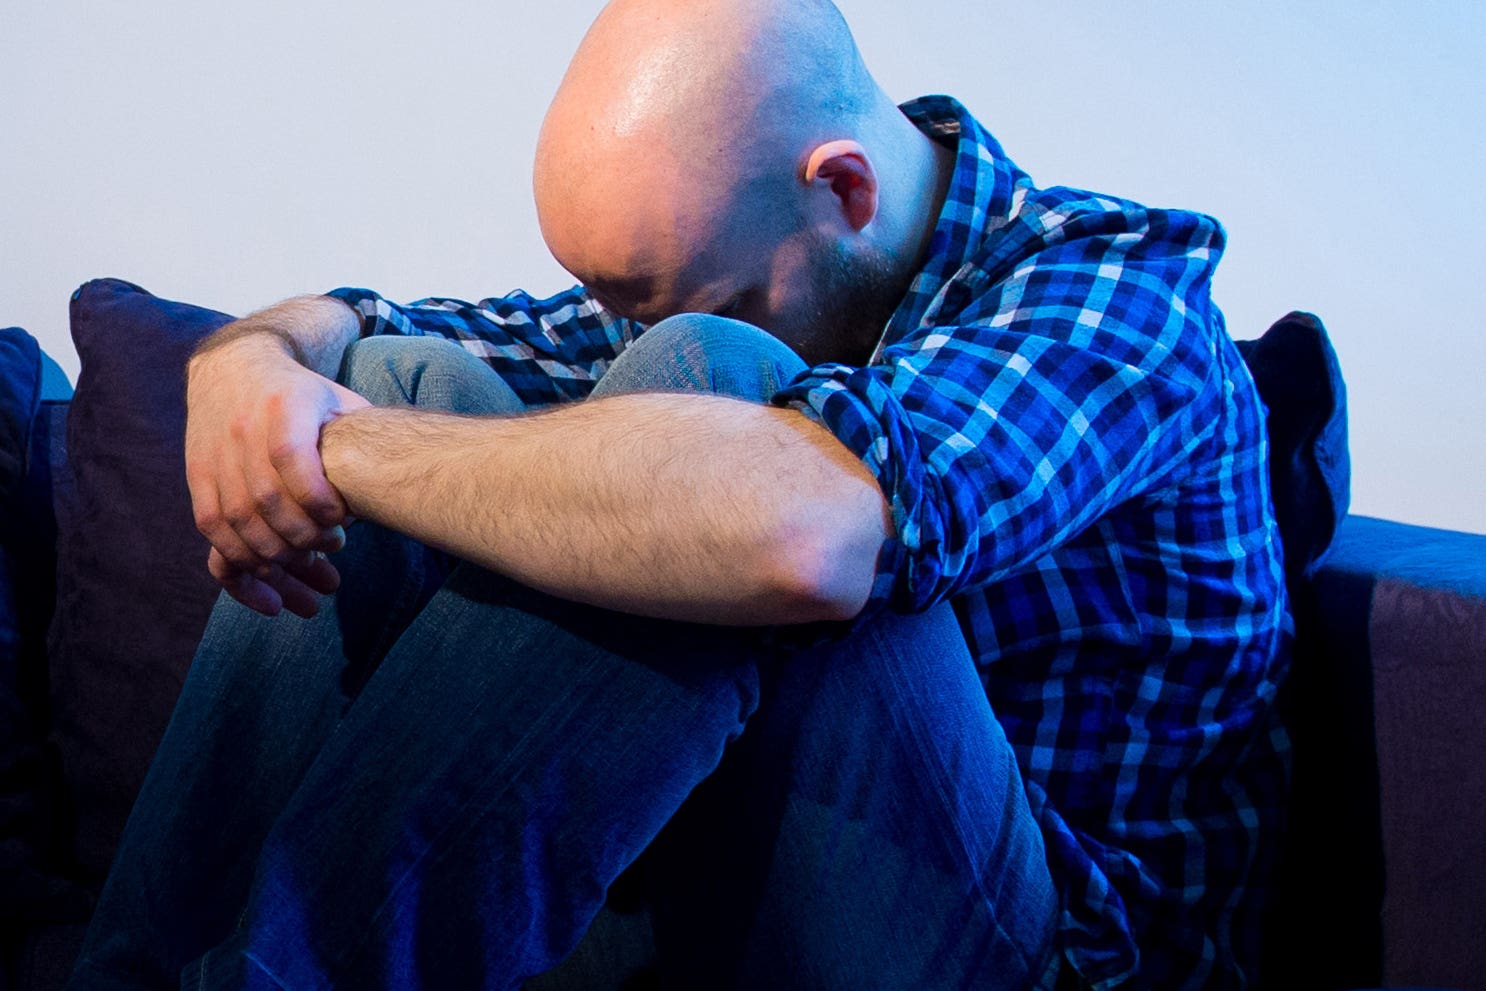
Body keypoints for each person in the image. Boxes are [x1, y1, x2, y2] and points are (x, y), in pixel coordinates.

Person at [67, 0, 1291, 988]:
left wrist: (347, 452)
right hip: (744, 882)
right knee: (395, 376)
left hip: (1046, 950)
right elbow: (401, 330)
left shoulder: (1123, 297)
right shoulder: (776, 252)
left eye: (651, 293)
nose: (618, 329)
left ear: (845, 192)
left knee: (715, 394)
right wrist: (254, 359)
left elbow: (803, 533)